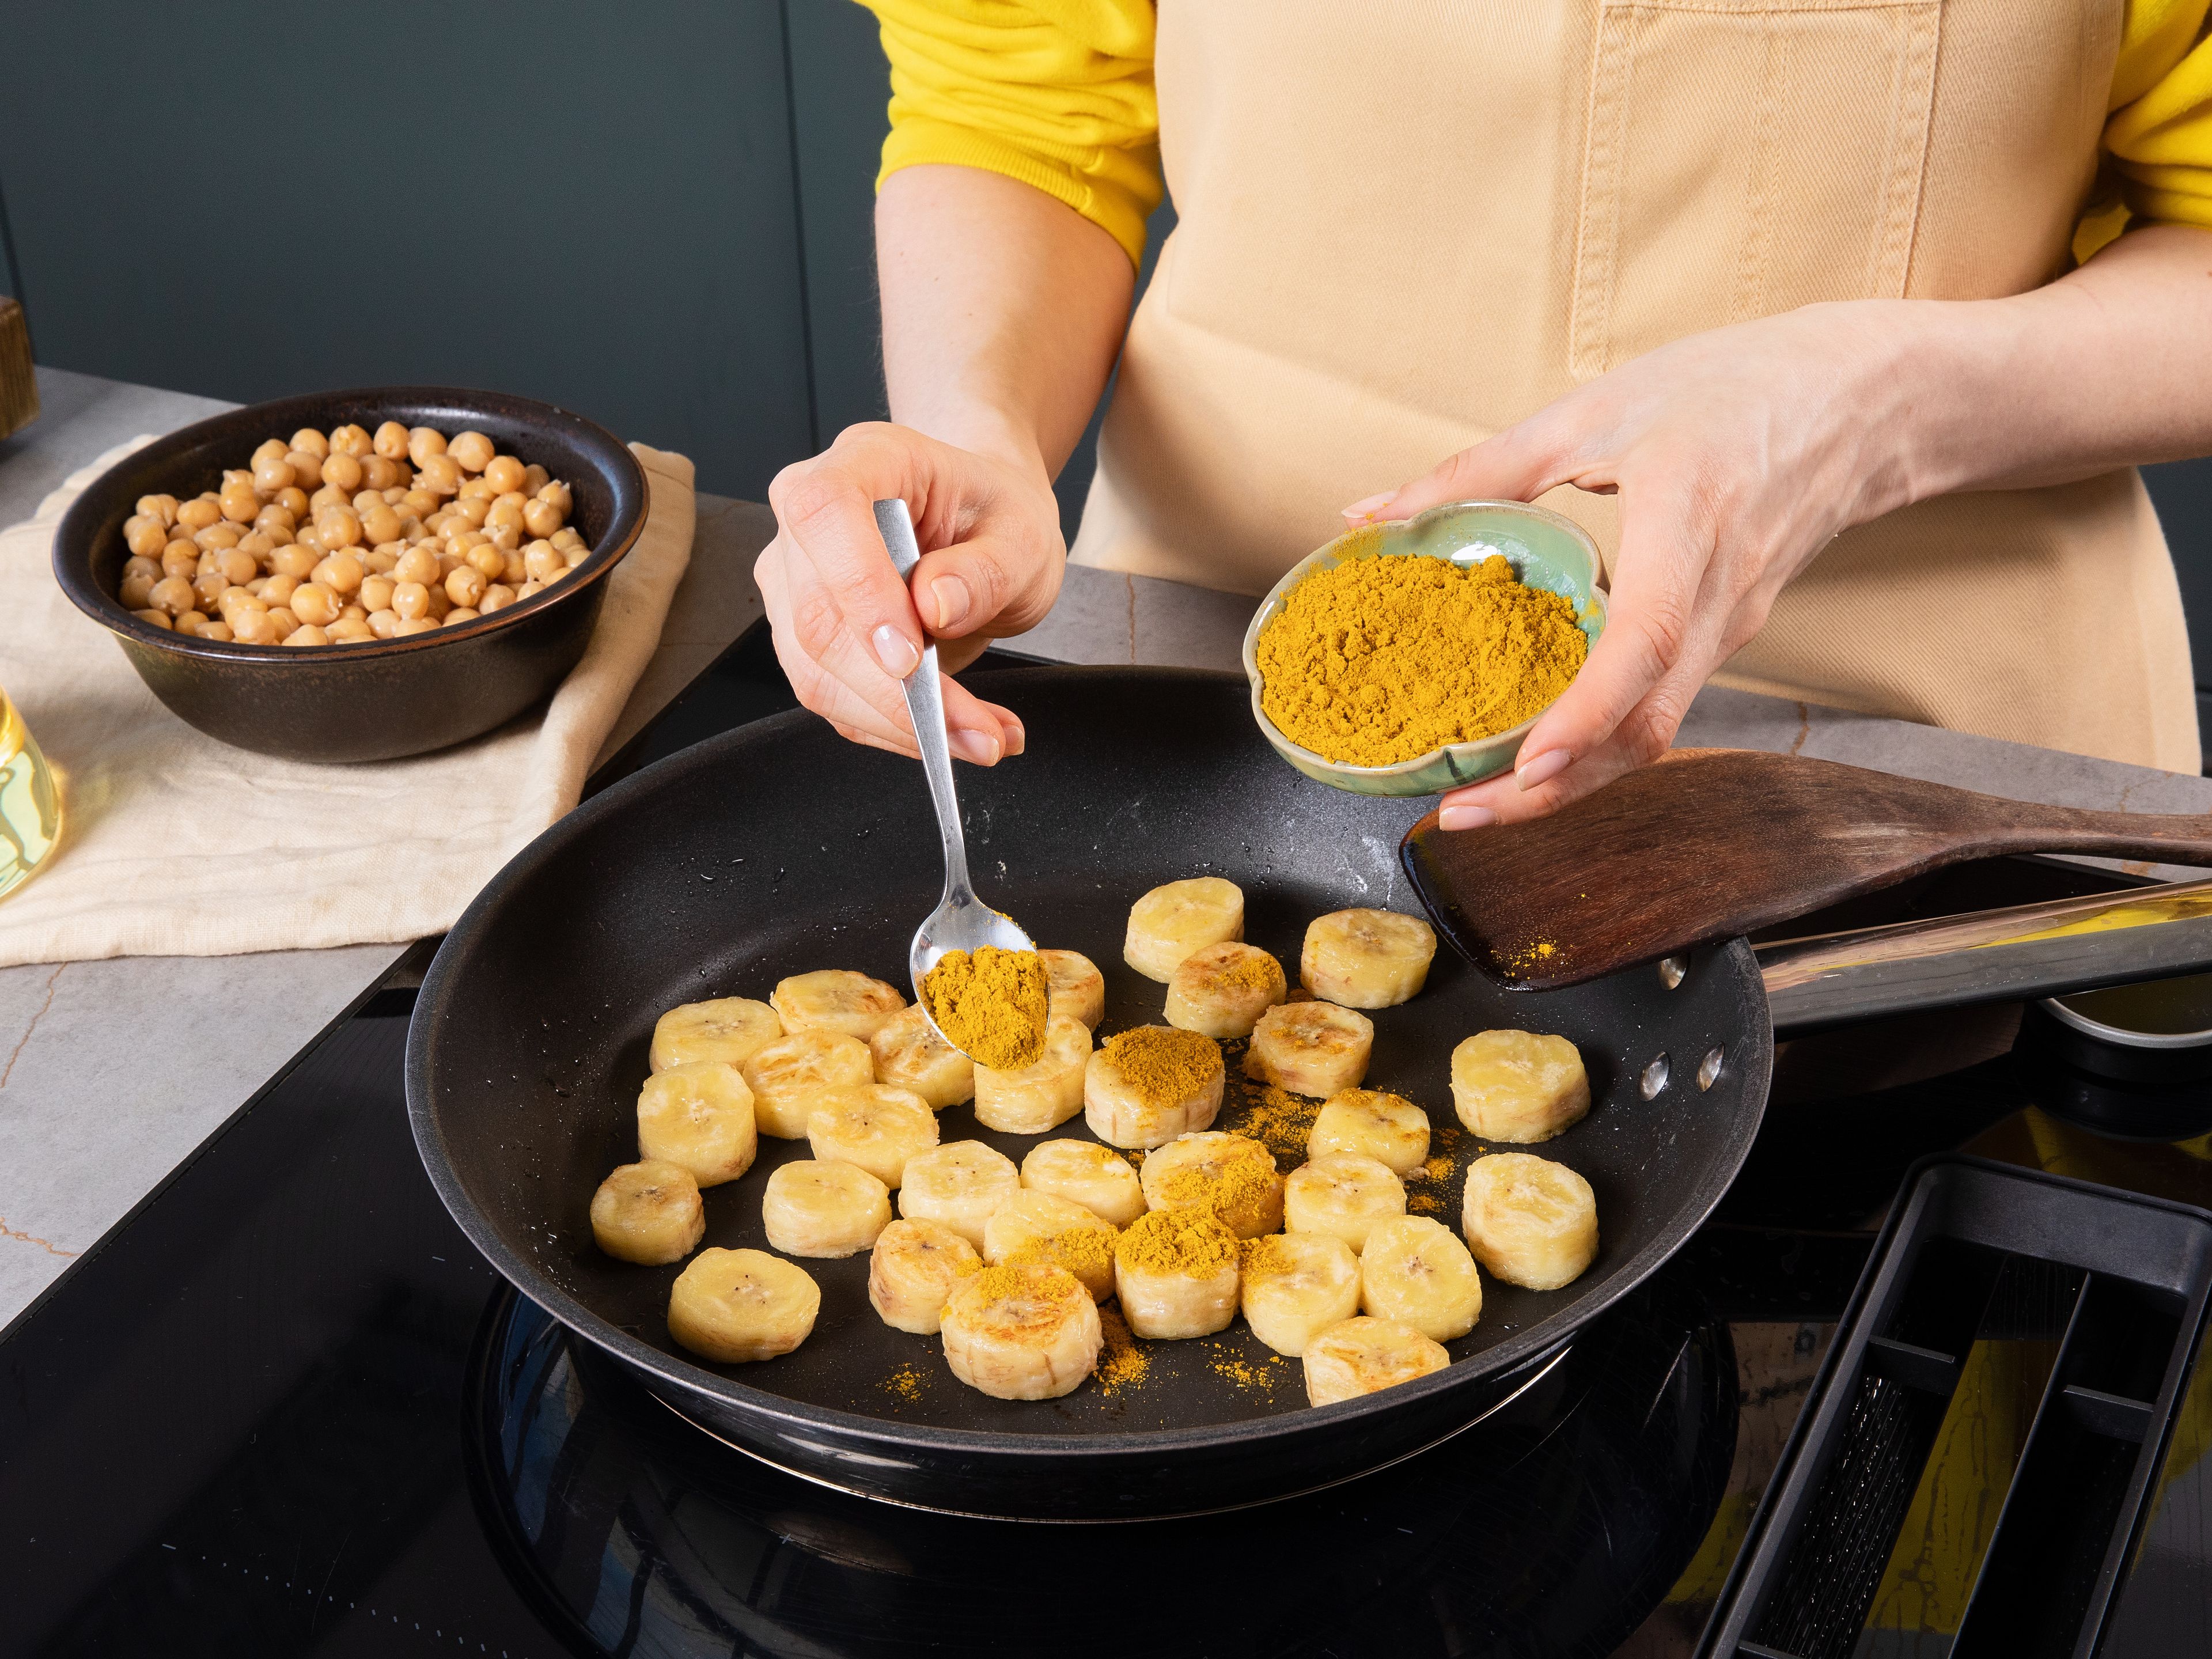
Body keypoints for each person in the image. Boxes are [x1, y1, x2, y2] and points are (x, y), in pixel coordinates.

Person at [758, 1, 2212, 828]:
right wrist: (984, 428)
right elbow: (1020, 102)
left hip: (1911, 788)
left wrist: (1867, 410)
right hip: (1212, 711)